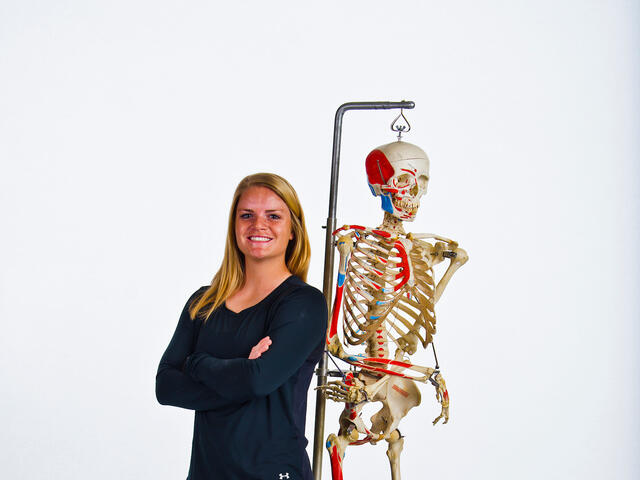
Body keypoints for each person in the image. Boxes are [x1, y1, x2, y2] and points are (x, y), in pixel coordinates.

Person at [156, 173, 327, 480]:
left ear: (292, 231)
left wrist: (197, 363)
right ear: (234, 226)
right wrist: (241, 373)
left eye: (273, 216)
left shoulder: (304, 304)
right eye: (246, 215)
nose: (258, 225)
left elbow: (257, 382)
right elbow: (166, 386)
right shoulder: (204, 302)